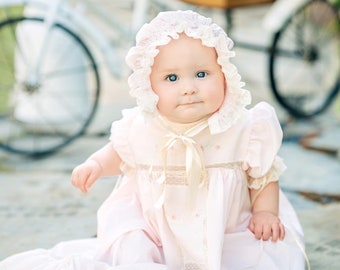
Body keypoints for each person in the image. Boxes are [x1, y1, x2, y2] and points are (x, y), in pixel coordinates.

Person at [0, 10, 307, 270]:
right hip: (155, 228)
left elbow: (263, 175)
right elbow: (119, 152)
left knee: (260, 252)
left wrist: (265, 212)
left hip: (222, 229)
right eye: (171, 79)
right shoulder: (142, 124)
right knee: (131, 241)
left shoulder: (242, 127)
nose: (188, 88)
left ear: (224, 73)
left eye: (202, 74)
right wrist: (95, 164)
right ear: (148, 85)